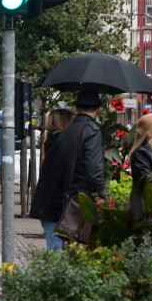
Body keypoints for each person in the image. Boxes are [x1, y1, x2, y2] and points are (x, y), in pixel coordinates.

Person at [29, 108, 74, 250]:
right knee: (56, 250)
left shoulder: (53, 142)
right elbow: (57, 179)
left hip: (50, 207)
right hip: (53, 207)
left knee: (56, 247)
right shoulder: (59, 144)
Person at [54, 91, 107, 202]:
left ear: (76, 109)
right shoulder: (92, 131)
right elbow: (94, 169)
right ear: (98, 109)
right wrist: (101, 195)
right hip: (84, 199)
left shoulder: (66, 131)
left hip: (67, 196)